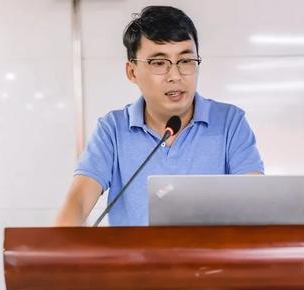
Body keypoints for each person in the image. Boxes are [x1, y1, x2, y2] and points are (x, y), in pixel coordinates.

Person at [54, 5, 264, 227]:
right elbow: (78, 201)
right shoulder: (113, 129)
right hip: (135, 251)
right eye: (159, 63)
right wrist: (60, 240)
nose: (175, 76)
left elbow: (254, 200)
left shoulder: (230, 122)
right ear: (132, 71)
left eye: (185, 61)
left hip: (211, 251)